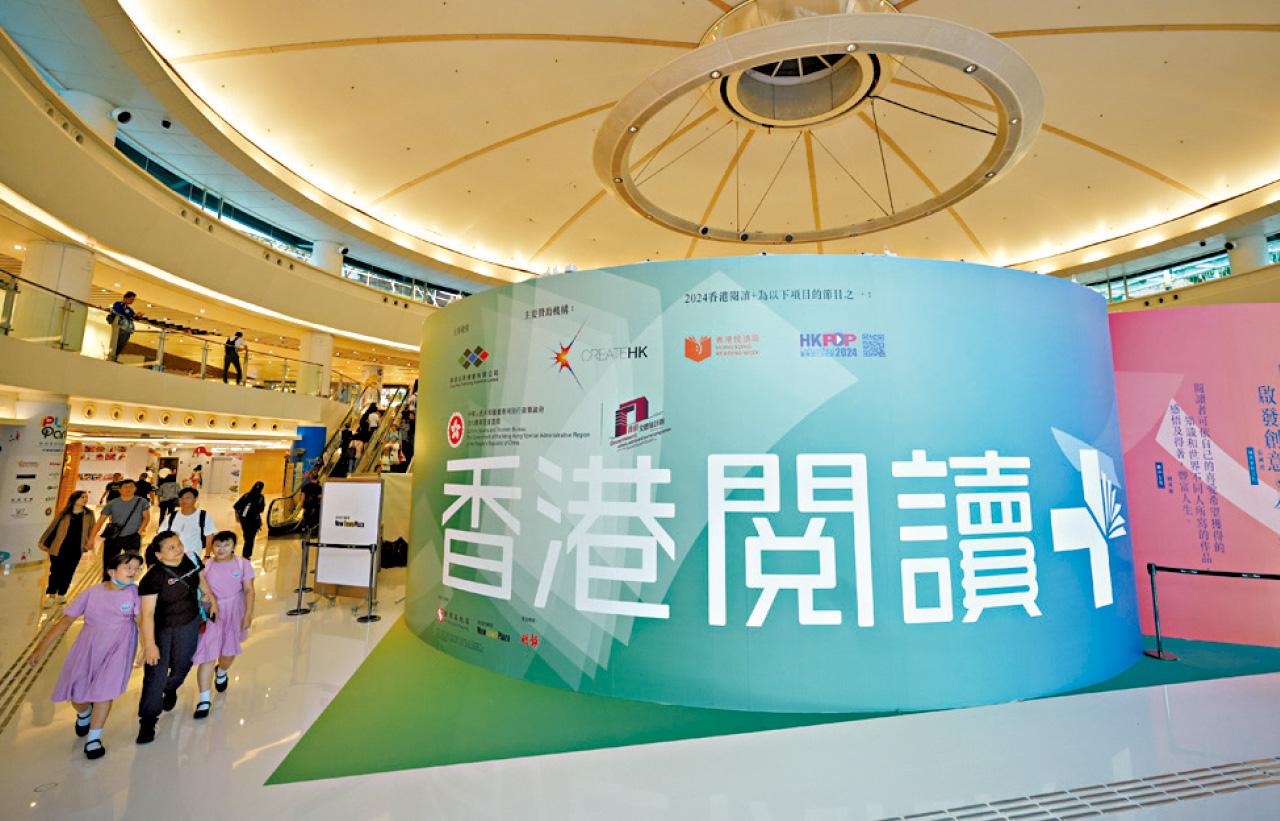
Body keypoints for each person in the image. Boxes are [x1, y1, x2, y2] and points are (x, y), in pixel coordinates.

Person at [28, 551, 143, 760]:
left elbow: (143, 621)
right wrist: (41, 648)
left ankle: (94, 739)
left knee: (104, 692)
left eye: (137, 568)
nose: (133, 572)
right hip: (88, 647)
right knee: (78, 695)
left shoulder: (134, 594)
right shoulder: (92, 592)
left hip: (119, 647)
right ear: (111, 572)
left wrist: (146, 647)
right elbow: (65, 621)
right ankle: (84, 713)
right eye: (128, 567)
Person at [136, 532, 218, 744]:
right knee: (155, 674)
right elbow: (147, 614)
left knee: (183, 665)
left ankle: (170, 688)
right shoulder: (152, 578)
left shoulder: (190, 560)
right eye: (171, 547)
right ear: (158, 555)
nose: (178, 549)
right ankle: (148, 721)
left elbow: (201, 581)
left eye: (178, 544)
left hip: (188, 624)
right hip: (161, 630)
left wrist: (212, 600)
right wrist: (149, 645)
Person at [191, 532, 255, 719]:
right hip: (211, 613)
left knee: (228, 652)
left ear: (233, 546)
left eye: (226, 545)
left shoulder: (242, 564)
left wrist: (248, 614)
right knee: (208, 654)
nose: (221, 549)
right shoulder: (206, 565)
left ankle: (222, 671)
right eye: (217, 545)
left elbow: (249, 590)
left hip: (234, 612)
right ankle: (204, 699)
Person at [37, 491, 96, 608]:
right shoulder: (64, 513)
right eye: (82, 497)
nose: (85, 499)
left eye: (86, 497)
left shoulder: (89, 514)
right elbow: (52, 527)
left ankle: (61, 594)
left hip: (76, 548)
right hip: (59, 547)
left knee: (69, 572)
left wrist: (90, 543)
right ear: (75, 499)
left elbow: (92, 530)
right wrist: (43, 541)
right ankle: (51, 595)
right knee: (55, 572)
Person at [92, 479, 150, 581]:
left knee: (132, 563)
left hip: (132, 537)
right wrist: (91, 538)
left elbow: (146, 518)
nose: (128, 489)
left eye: (131, 486)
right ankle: (107, 583)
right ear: (119, 490)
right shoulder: (112, 503)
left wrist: (139, 531)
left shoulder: (142, 502)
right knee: (109, 564)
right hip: (114, 537)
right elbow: (100, 522)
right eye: (125, 487)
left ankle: (128, 584)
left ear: (135, 488)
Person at [153, 487, 216, 565]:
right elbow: (161, 534)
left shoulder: (202, 515)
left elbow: (209, 536)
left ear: (195, 499)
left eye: (187, 498)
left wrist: (207, 555)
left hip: (192, 559)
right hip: (172, 558)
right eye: (181, 498)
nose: (184, 501)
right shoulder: (172, 516)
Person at [232, 482, 266, 559]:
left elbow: (236, 506)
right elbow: (261, 510)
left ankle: (246, 554)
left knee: (248, 536)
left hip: (244, 519)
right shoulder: (260, 497)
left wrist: (237, 517)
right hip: (253, 520)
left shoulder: (246, 495)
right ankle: (246, 555)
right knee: (250, 538)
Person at [107, 291, 140, 362]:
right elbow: (118, 311)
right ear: (125, 298)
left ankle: (115, 357)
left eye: (133, 300)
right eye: (131, 299)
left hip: (127, 329)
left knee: (122, 344)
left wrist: (138, 316)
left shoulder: (129, 309)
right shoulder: (118, 304)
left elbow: (133, 316)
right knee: (116, 342)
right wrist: (130, 315)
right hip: (120, 326)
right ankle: (111, 357)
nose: (132, 301)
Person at [299, 469, 322, 535]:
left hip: (307, 506)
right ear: (317, 478)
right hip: (315, 507)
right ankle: (312, 530)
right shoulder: (319, 487)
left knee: (306, 518)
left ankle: (304, 529)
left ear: (310, 477)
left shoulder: (305, 487)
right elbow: (320, 498)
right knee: (313, 519)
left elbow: (302, 499)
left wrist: (301, 506)